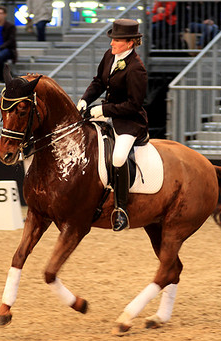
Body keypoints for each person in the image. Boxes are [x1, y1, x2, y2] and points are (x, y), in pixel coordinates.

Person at [77, 19, 148, 232]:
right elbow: (99, 81)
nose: (112, 44)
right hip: (106, 113)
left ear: (130, 43)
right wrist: (84, 100)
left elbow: (133, 105)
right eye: (112, 39)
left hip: (129, 121)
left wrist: (103, 110)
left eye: (116, 40)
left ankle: (121, 209)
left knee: (118, 158)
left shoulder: (137, 69)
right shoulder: (110, 56)